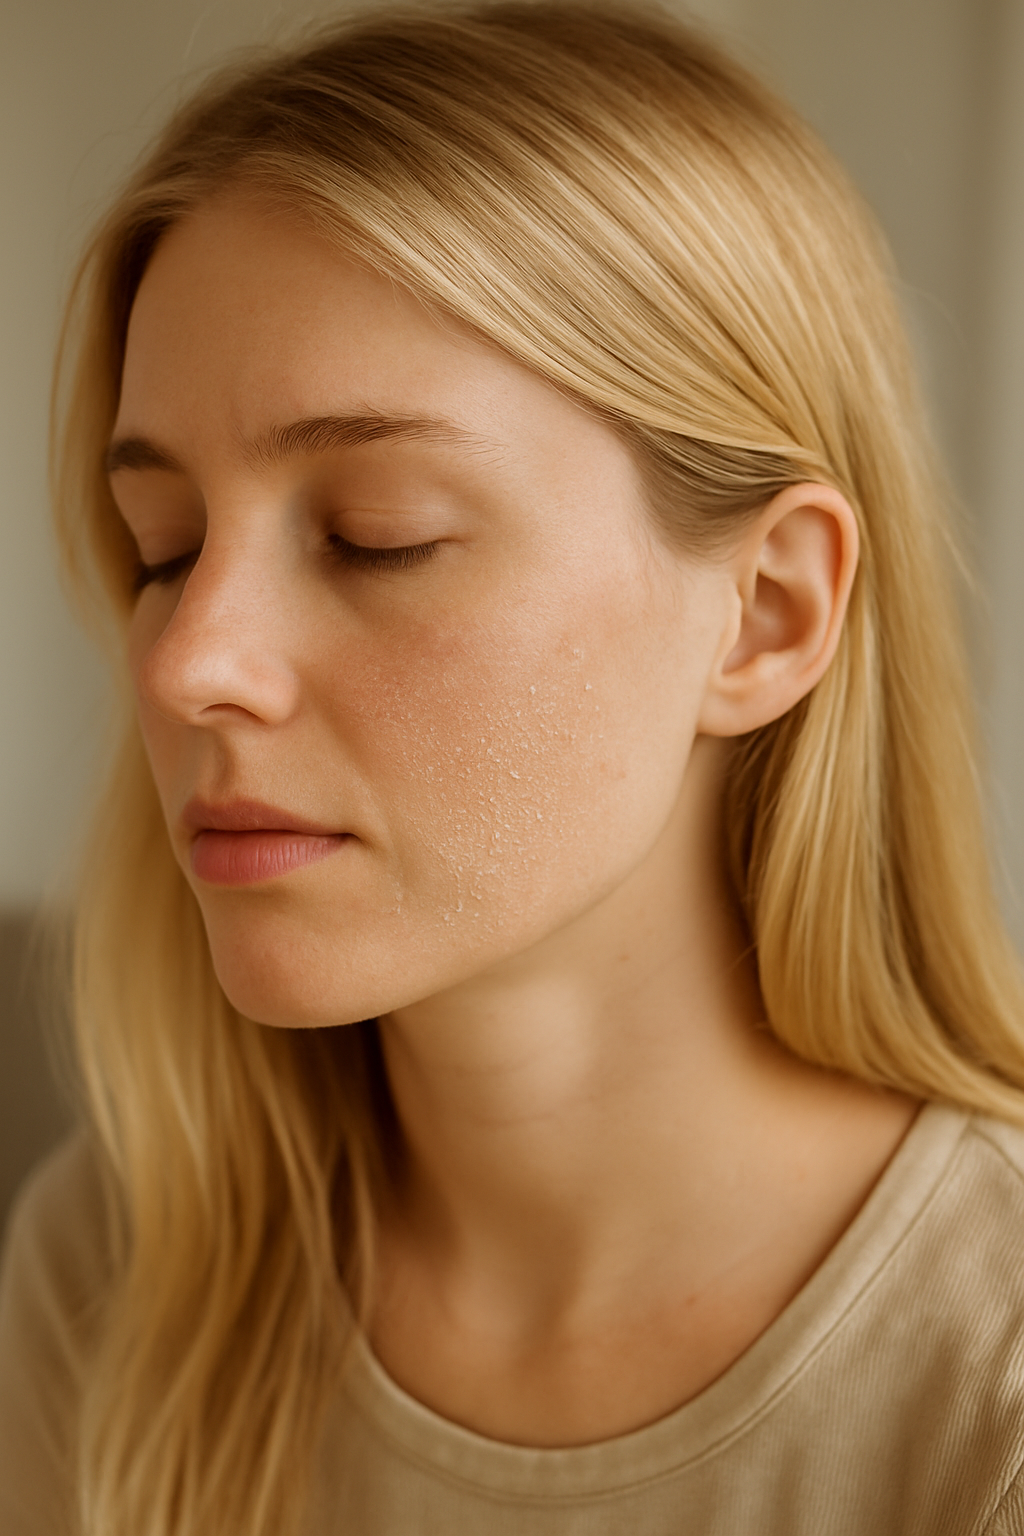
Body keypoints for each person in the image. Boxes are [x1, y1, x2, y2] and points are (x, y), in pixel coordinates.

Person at [2, 1, 1024, 1531]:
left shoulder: (988, 1390)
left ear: (764, 614)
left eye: (378, 535)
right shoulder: (113, 1283)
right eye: (166, 548)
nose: (183, 661)